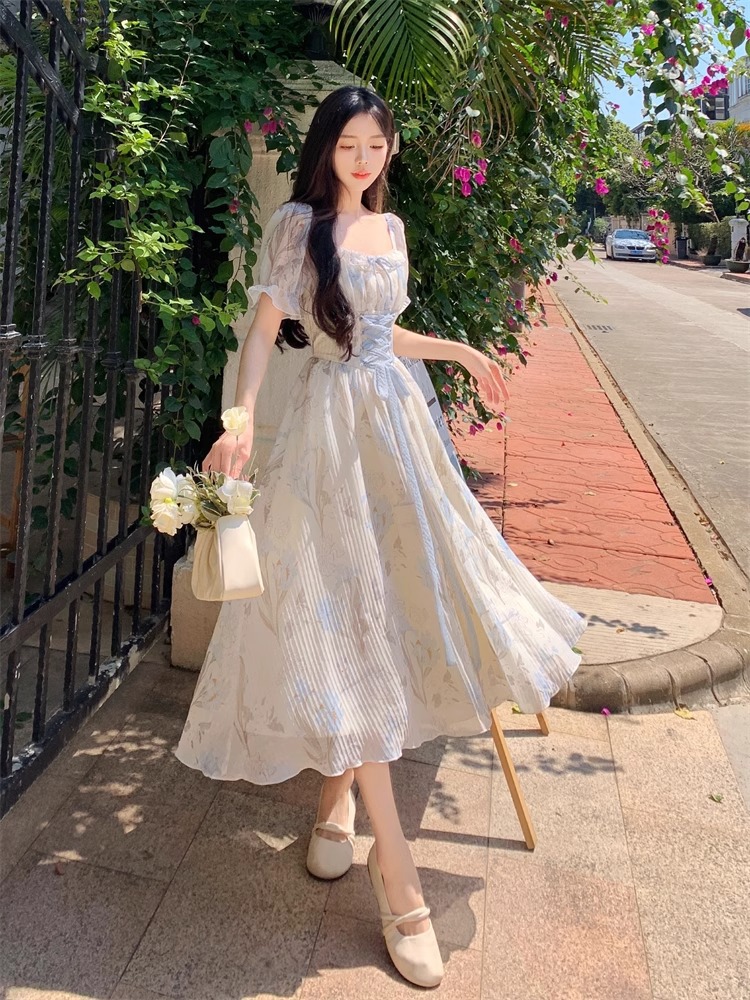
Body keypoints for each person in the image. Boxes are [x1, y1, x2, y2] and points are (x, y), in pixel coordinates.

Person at [174, 85, 588, 989]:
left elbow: (383, 337)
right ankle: (396, 875)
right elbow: (264, 332)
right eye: (348, 145)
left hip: (398, 435)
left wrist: (460, 352)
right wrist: (241, 418)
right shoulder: (299, 226)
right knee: (344, 614)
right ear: (326, 149)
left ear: (389, 150)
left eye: (376, 145)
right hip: (329, 437)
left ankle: (337, 803)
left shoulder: (390, 230)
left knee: (393, 607)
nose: (363, 159)